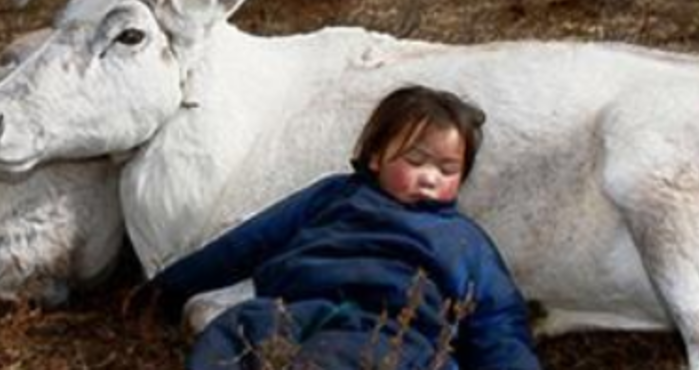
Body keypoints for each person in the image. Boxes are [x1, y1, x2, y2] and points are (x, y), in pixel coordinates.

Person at [145, 85, 541, 370]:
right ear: (374, 157)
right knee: (230, 333)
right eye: (416, 160)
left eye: (447, 169)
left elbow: (498, 321)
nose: (430, 178)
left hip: (399, 338)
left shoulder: (465, 239)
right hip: (296, 313)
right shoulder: (333, 196)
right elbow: (250, 242)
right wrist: (167, 289)